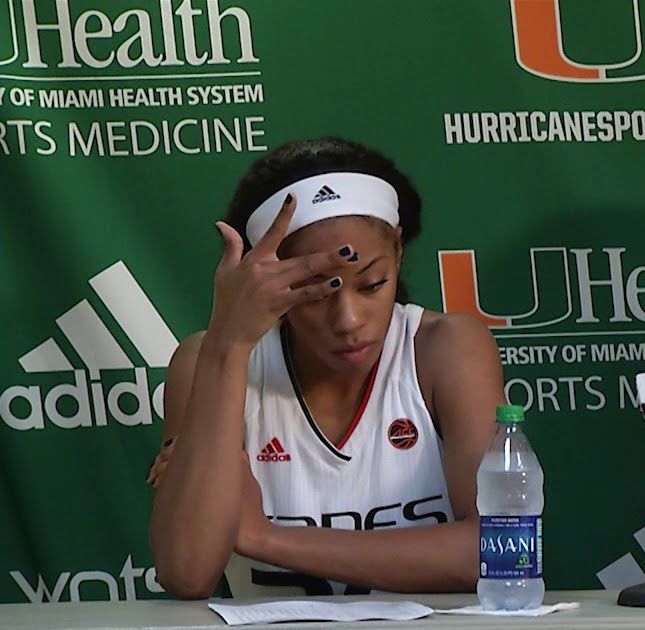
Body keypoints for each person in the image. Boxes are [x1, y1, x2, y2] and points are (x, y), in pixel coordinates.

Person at [148, 137, 505, 599]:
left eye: (373, 284)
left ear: (398, 250)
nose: (349, 321)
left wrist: (263, 537)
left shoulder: (445, 349)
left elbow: (499, 550)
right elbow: (186, 572)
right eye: (313, 291)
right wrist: (228, 343)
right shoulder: (207, 363)